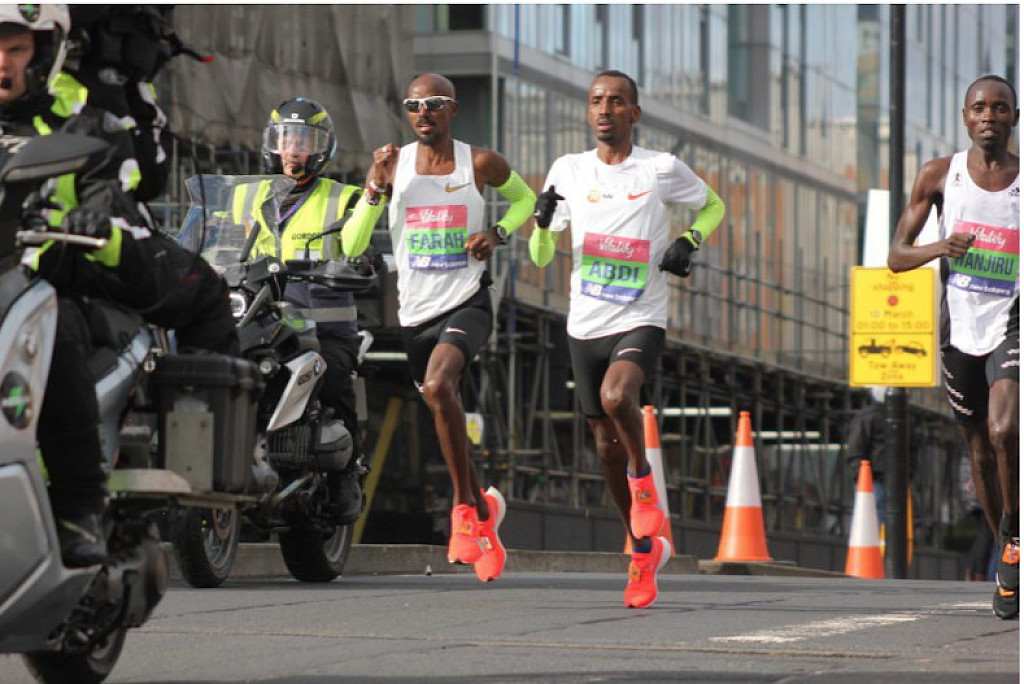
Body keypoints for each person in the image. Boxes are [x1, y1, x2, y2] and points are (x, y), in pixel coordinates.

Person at [0, 4, 237, 567]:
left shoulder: (85, 120)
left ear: (46, 53)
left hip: (66, 266)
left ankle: (81, 506)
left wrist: (94, 216)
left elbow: (118, 184)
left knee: (55, 324)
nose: (0, 63)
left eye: (15, 49)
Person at [530, 70, 725, 608]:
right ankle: (643, 552)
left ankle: (644, 481)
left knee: (618, 396)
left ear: (634, 113)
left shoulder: (660, 168)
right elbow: (541, 258)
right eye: (596, 100)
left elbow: (714, 206)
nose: (604, 109)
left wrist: (689, 240)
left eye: (616, 101)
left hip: (641, 315)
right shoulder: (568, 170)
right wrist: (541, 226)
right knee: (603, 447)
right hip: (584, 323)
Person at [342, 73, 536, 583]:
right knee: (442, 409)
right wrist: (375, 184)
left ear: (453, 109)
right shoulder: (393, 164)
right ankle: (485, 514)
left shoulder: (480, 163)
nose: (422, 113)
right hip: (414, 314)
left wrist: (497, 233)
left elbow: (526, 201)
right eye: (413, 105)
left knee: (438, 385)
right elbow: (352, 243)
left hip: (467, 301)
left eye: (433, 104)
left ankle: (463, 511)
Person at [888, 74, 1019, 620]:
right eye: (979, 108)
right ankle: (1008, 549)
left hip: (1012, 320)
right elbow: (896, 256)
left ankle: (1014, 540)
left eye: (1000, 108)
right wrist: (941, 246)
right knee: (979, 450)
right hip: (958, 328)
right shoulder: (939, 176)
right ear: (965, 117)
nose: (989, 116)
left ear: (1014, 118)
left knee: (1005, 428)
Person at [230, 96, 373, 525]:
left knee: (335, 378)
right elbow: (218, 242)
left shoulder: (345, 198)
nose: (293, 150)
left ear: (322, 148)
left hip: (322, 324)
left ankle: (346, 473)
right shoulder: (243, 195)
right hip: (258, 314)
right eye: (287, 139)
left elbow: (357, 246)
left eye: (304, 141)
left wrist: (358, 257)